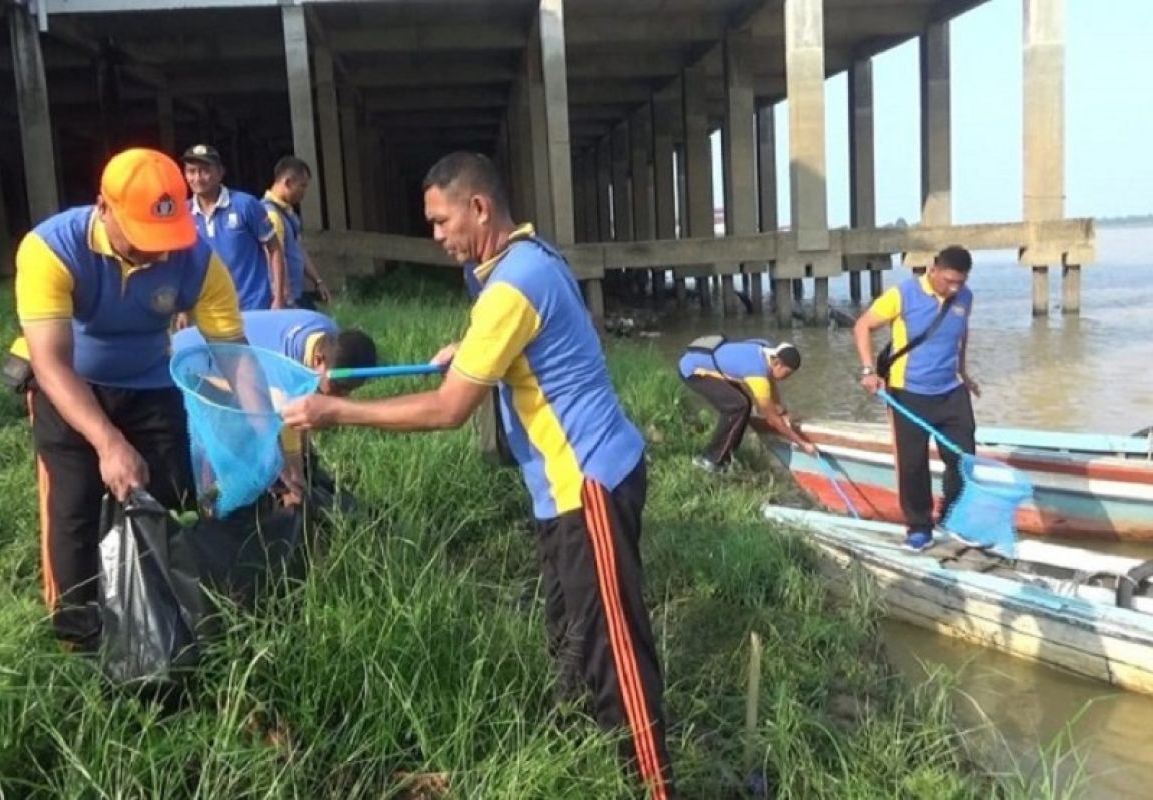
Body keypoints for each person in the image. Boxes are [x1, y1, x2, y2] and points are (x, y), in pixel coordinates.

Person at [281, 152, 675, 798]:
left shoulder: (512, 284)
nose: (436, 236)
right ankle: (583, 769)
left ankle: (656, 789)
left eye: (441, 222)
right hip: (563, 490)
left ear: (479, 209)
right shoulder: (528, 258)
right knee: (570, 639)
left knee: (617, 657)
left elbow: (448, 410)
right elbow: (536, 335)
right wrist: (469, 351)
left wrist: (336, 410)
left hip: (589, 486)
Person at [8, 147, 245, 650]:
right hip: (69, 382)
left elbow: (236, 357)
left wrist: (272, 443)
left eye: (165, 240)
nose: (156, 254)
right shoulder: (51, 249)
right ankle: (78, 631)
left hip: (150, 382)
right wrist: (107, 442)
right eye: (141, 238)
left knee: (164, 492)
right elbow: (50, 363)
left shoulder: (198, 261)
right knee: (73, 504)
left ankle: (150, 619)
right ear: (103, 208)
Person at [172, 309, 377, 501]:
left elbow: (303, 409)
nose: (341, 396)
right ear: (318, 359)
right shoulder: (285, 369)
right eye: (339, 387)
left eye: (350, 390)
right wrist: (295, 477)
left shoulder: (328, 336)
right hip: (194, 359)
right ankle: (214, 496)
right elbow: (284, 423)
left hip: (232, 355)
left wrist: (304, 459)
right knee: (235, 437)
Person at [853, 245, 978, 551]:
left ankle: (952, 516)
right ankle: (919, 527)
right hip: (908, 393)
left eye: (960, 282)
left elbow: (961, 334)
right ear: (933, 269)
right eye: (949, 280)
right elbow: (863, 326)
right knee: (912, 465)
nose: (954, 288)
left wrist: (964, 372)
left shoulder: (965, 298)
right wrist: (869, 370)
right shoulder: (903, 294)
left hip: (951, 392)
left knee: (963, 459)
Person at [678, 337, 817, 472]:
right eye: (787, 374)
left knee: (743, 403)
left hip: (706, 362)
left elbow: (771, 385)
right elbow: (772, 420)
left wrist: (782, 412)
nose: (787, 378)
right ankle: (710, 460)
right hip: (692, 370)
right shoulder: (758, 376)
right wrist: (802, 444)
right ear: (777, 363)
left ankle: (727, 457)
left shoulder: (765, 348)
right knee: (737, 406)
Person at [182, 143, 288, 310]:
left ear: (220, 172)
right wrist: (183, 308)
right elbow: (184, 262)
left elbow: (274, 248)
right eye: (191, 171)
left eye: (205, 170)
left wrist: (279, 296)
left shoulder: (245, 205)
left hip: (253, 306)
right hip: (210, 312)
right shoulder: (183, 213)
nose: (197, 177)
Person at [261, 156, 332, 310]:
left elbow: (298, 249)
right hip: (285, 298)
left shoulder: (287, 212)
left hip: (296, 294)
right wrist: (282, 297)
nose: (304, 192)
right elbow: (274, 257)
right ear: (287, 183)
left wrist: (317, 281)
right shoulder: (271, 215)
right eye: (302, 186)